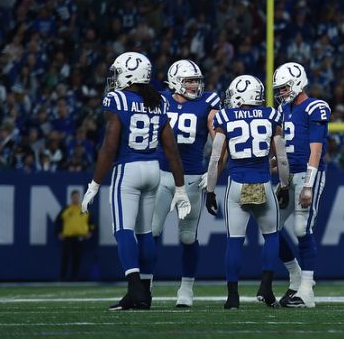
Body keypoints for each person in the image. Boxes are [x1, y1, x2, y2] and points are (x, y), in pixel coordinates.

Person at [80, 51, 192, 310]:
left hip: (127, 169)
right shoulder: (159, 101)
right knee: (145, 234)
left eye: (118, 73)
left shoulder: (117, 99)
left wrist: (94, 184)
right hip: (153, 168)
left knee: (124, 231)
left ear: (129, 74)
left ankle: (134, 290)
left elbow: (109, 146)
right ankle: (146, 292)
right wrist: (180, 187)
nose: (115, 78)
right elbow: (171, 149)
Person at [203, 74, 289, 309]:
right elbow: (281, 157)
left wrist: (210, 190)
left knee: (234, 241)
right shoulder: (271, 114)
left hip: (236, 184)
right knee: (271, 235)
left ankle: (233, 296)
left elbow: (215, 158)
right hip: (262, 182)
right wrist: (285, 185)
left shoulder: (224, 116)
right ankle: (267, 287)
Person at [150, 59, 221, 308]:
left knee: (188, 236)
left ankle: (186, 289)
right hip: (161, 175)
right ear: (176, 81)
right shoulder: (159, 100)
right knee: (152, 231)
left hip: (191, 176)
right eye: (190, 80)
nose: (194, 85)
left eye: (196, 80)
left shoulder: (208, 103)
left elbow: (220, 141)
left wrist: (214, 173)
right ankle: (144, 284)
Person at [271, 61, 331, 308]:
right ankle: (295, 275)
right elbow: (284, 148)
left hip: (309, 174)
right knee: (269, 226)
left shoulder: (315, 108)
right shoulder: (284, 111)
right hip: (288, 175)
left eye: (285, 88)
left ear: (297, 83)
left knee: (301, 230)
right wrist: (273, 167)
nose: (282, 93)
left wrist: (308, 184)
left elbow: (315, 151)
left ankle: (306, 290)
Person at [57, 189, 93, 281]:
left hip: (80, 237)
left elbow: (92, 222)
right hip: (68, 237)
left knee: (77, 258)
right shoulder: (66, 209)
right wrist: (59, 232)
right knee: (66, 258)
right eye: (74, 197)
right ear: (71, 198)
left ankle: (74, 277)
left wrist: (90, 232)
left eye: (77, 197)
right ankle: (62, 277)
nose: (75, 198)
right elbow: (58, 222)